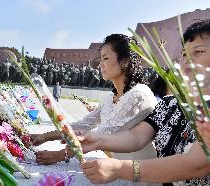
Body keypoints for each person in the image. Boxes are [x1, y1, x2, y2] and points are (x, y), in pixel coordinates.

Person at [78, 19, 210, 186]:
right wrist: (98, 140)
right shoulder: (170, 104)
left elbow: (196, 165)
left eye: (198, 52)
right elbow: (137, 136)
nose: (186, 62)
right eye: (184, 54)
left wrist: (121, 169)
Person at [32, 34, 159, 186]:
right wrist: (44, 137)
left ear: (124, 61)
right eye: (100, 59)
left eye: (105, 58)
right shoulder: (112, 97)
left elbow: (102, 134)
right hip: (117, 169)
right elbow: (83, 125)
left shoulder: (138, 95)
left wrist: (60, 155)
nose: (100, 65)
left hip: (139, 176)